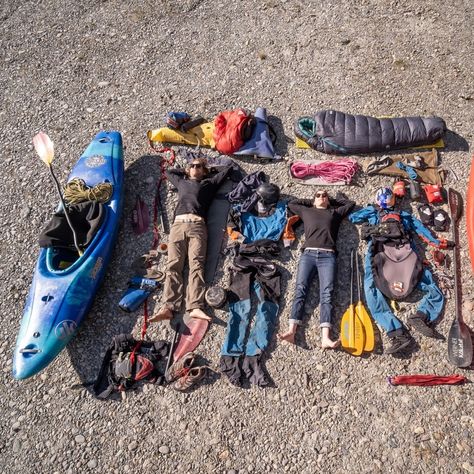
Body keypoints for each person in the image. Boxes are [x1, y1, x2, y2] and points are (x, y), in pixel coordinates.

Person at [348, 187, 453, 354]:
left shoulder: (384, 213)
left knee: (371, 290)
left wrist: (439, 243)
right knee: (430, 286)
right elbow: (422, 231)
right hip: (400, 251)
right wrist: (438, 243)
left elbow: (353, 217)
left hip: (379, 253)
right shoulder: (403, 215)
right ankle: (414, 322)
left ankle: (403, 329)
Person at [150, 157, 232, 322]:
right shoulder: (181, 182)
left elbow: (228, 169)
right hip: (178, 226)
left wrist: (209, 169)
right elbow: (168, 171)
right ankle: (169, 307)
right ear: (188, 169)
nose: (196, 168)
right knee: (174, 264)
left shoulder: (209, 184)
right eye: (193, 166)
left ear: (204, 170)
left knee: (196, 265)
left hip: (197, 226)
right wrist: (185, 170)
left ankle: (195, 306)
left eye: (199, 166)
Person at [278, 190, 355, 348]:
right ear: (313, 200)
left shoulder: (334, 213)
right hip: (308, 255)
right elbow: (292, 204)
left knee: (327, 294)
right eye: (318, 195)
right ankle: (292, 331)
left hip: (328, 256)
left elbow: (350, 204)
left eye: (324, 195)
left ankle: (325, 338)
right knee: (300, 290)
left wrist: (330, 201)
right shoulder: (306, 210)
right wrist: (312, 201)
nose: (322, 197)